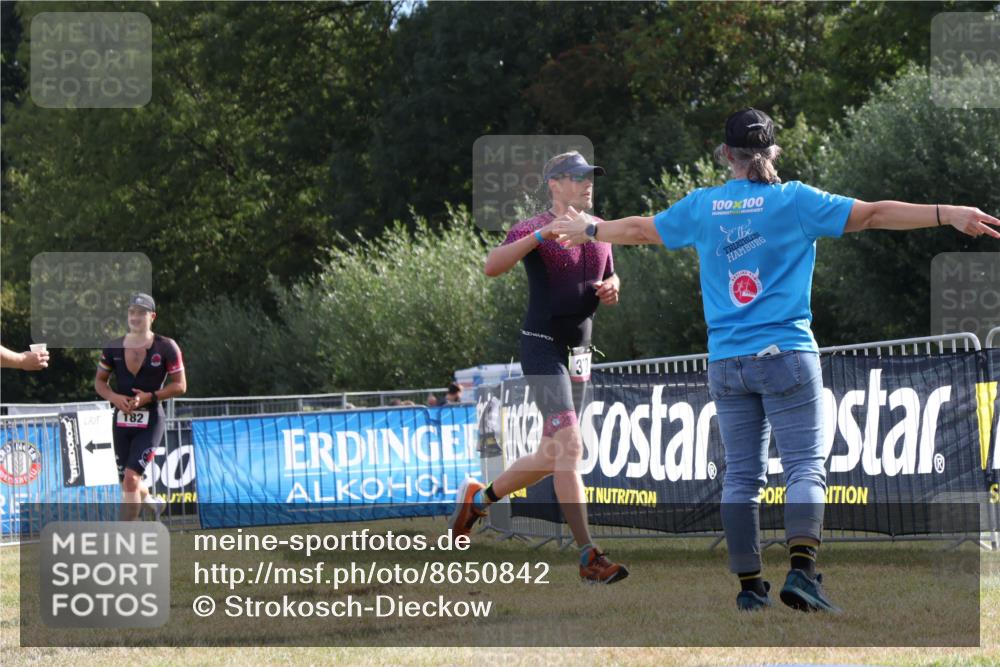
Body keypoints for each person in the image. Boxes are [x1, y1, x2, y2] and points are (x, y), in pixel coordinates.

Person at [552, 108, 1000, 610]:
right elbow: (875, 213)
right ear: (774, 152)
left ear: (725, 154)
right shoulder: (795, 201)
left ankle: (749, 590)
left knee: (742, 475)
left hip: (726, 361)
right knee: (805, 466)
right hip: (786, 353)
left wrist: (592, 228)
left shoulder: (705, 206)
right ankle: (803, 573)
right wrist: (948, 212)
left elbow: (639, 230)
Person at [449, 150, 628, 584]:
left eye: (591, 177)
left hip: (580, 353)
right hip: (542, 347)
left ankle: (479, 500)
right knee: (570, 446)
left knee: (553, 454)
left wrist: (612, 287)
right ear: (554, 184)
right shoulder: (534, 228)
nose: (588, 184)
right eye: (578, 177)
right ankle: (589, 555)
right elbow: (492, 266)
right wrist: (542, 236)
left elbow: (610, 273)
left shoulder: (598, 228)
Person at [94, 293, 187, 521]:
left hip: (151, 420)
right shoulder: (113, 347)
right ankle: (151, 502)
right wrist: (114, 398)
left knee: (131, 479)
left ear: (152, 316)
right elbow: (99, 382)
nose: (135, 317)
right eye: (131, 312)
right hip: (121, 420)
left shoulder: (167, 347)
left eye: (141, 313)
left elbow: (180, 386)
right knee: (127, 479)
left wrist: (149, 397)